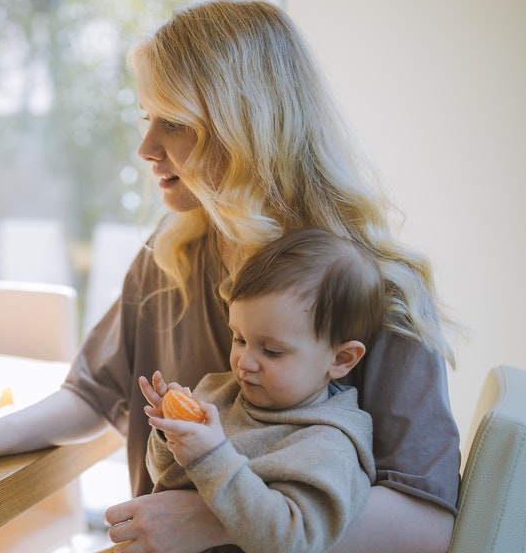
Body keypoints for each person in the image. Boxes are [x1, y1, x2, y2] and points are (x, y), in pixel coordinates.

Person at [0, 0, 461, 553]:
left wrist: (217, 518)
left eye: (177, 123)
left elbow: (429, 524)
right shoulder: (172, 254)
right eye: (147, 119)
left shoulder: (379, 289)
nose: (146, 149)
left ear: (248, 130)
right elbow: (93, 394)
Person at [139, 228, 383, 553]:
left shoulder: (328, 447)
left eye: (271, 351)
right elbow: (166, 478)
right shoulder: (218, 392)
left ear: (341, 359)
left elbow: (293, 541)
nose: (245, 362)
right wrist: (171, 434)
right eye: (239, 339)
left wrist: (212, 458)